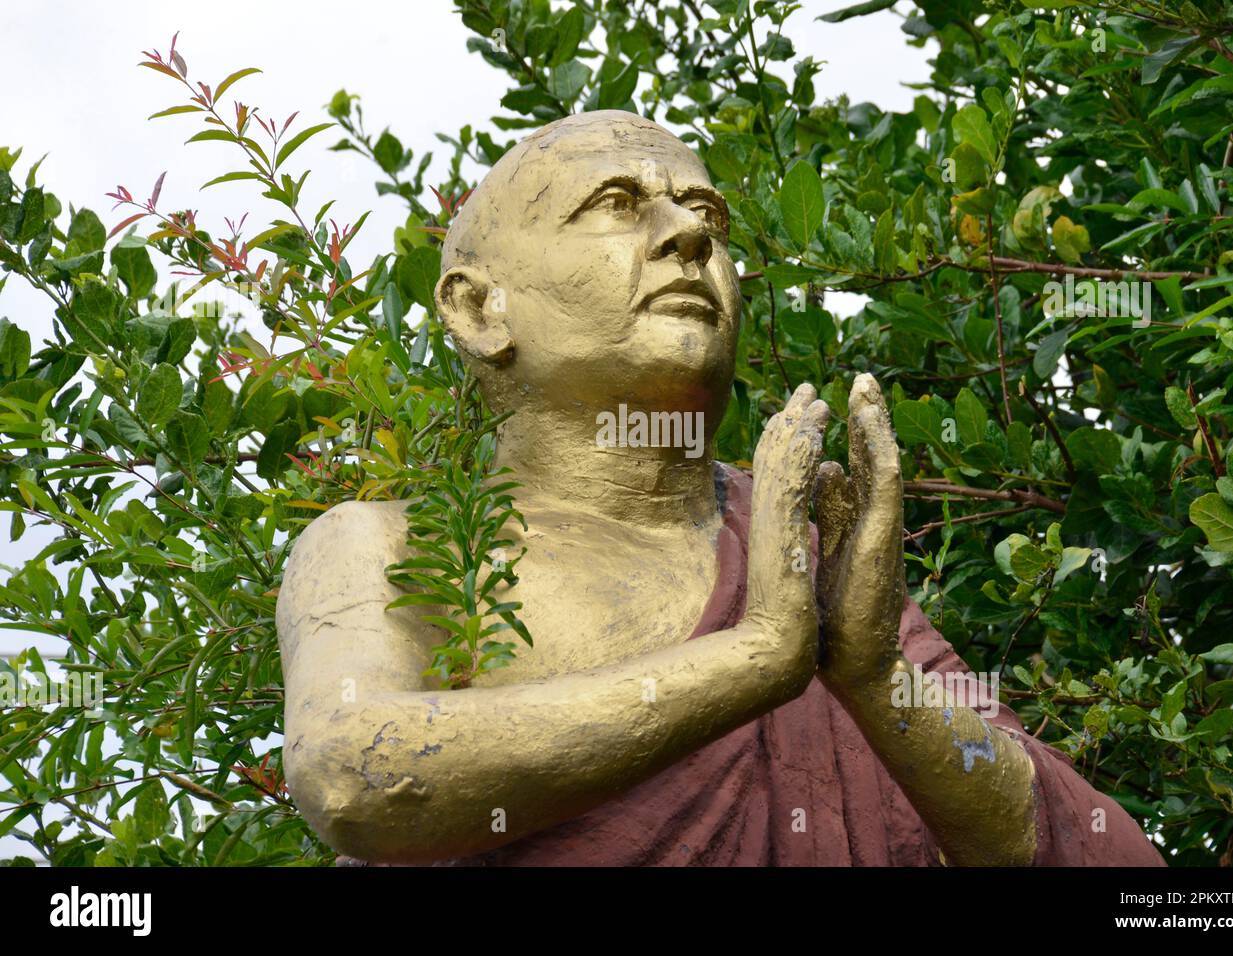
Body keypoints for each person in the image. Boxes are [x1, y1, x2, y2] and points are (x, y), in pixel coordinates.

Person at [275, 111, 1164, 866]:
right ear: (479, 309)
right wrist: (757, 658)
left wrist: (875, 676)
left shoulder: (803, 560)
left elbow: (1088, 851)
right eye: (617, 205)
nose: (689, 235)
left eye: (708, 214)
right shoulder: (388, 548)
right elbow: (354, 774)